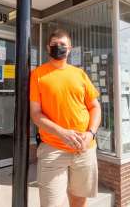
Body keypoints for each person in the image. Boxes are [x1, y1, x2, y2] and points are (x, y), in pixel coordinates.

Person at [30, 29, 102, 207]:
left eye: (63, 45)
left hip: (84, 147)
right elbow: (36, 114)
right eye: (55, 44)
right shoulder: (38, 74)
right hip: (53, 149)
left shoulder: (80, 74)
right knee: (51, 203)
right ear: (48, 47)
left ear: (70, 49)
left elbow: (95, 107)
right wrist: (62, 133)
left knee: (79, 200)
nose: (59, 47)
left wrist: (90, 134)